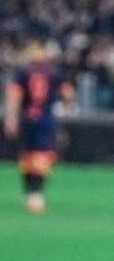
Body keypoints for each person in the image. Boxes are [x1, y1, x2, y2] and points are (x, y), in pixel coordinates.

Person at [4, 42, 75, 214]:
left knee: (27, 155)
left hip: (27, 118)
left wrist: (11, 118)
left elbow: (13, 95)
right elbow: (68, 93)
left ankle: (29, 193)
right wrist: (66, 108)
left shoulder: (23, 72)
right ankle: (37, 194)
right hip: (45, 118)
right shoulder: (55, 72)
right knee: (43, 155)